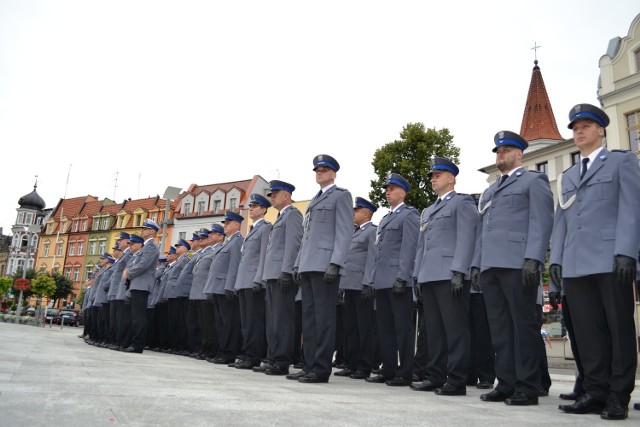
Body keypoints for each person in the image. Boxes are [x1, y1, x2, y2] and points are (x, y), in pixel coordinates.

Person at [550, 104, 640, 420]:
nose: (579, 132)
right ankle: (595, 391)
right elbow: (561, 220)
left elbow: (632, 208)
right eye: (575, 128)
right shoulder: (568, 175)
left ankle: (618, 396)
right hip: (575, 265)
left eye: (585, 126)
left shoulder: (621, 162)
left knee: (618, 330)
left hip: (609, 261)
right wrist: (556, 261)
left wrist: (627, 251)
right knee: (587, 335)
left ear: (601, 130)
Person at [471, 130, 553, 406]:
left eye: (505, 150)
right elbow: (483, 229)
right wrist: (476, 263)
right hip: (491, 265)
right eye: (497, 151)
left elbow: (541, 221)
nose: (499, 155)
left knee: (524, 326)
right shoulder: (490, 190)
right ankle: (505, 383)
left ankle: (528, 386)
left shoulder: (534, 180)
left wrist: (534, 258)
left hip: (518, 264)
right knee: (500, 328)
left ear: (519, 154)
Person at [411, 158, 476, 396]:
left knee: (455, 329)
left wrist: (460, 270)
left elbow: (467, 238)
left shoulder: (463, 202)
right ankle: (435, 376)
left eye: (438, 174)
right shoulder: (428, 210)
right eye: (432, 176)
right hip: (429, 276)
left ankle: (457, 380)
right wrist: (417, 275)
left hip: (450, 275)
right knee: (435, 331)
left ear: (451, 178)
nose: (433, 178)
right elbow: (421, 246)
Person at [292, 155, 353, 384]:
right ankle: (308, 364)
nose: (320, 172)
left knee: (324, 319)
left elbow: (345, 231)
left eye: (325, 169)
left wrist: (336, 263)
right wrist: (298, 263)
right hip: (308, 264)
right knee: (309, 319)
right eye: (317, 169)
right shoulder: (313, 201)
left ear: (334, 173)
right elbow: (306, 236)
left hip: (325, 265)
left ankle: (320, 368)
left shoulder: (341, 196)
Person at [366, 173, 419, 387]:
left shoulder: (410, 215)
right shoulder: (386, 219)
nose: (388, 192)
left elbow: (409, 249)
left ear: (403, 192)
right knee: (385, 328)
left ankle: (405, 371)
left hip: (398, 281)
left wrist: (403, 277)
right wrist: (372, 279)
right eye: (387, 189)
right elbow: (379, 252)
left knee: (402, 328)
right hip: (382, 281)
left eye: (392, 189)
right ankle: (388, 369)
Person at [259, 180, 303, 376]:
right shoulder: (280, 217)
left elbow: (293, 244)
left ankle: (282, 360)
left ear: (286, 195)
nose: (272, 197)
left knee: (282, 320)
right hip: (272, 274)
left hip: (281, 275)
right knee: (272, 320)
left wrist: (287, 270)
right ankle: (272, 357)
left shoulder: (292, 215)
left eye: (275, 194)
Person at [334, 197, 378, 380]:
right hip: (349, 285)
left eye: (357, 211)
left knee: (364, 328)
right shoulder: (353, 233)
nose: (353, 213)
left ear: (366, 213)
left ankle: (364, 365)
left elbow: (372, 259)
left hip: (361, 286)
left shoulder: (372, 232)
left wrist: (368, 282)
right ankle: (351, 364)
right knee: (350, 327)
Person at [234, 194, 272, 369]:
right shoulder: (251, 230)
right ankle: (246, 353)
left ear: (264, 209)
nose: (252, 208)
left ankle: (254, 356)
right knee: (245, 320)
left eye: (256, 206)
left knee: (254, 321)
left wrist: (259, 279)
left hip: (253, 282)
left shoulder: (265, 228)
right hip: (243, 281)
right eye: (251, 206)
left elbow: (264, 255)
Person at [203, 211, 244, 364]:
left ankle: (228, 354)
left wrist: (230, 286)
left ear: (237, 225)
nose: (225, 226)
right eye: (225, 223)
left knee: (229, 323)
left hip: (225, 287)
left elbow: (235, 264)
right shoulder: (228, 242)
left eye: (228, 223)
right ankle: (221, 351)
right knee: (220, 323)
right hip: (217, 287)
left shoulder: (238, 241)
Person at [122, 219, 160, 353]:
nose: (142, 230)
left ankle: (138, 345)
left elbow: (143, 264)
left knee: (139, 317)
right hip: (138, 284)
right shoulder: (147, 245)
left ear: (153, 231)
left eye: (145, 228)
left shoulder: (151, 246)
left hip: (141, 284)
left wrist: (128, 273)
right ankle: (134, 342)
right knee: (136, 316)